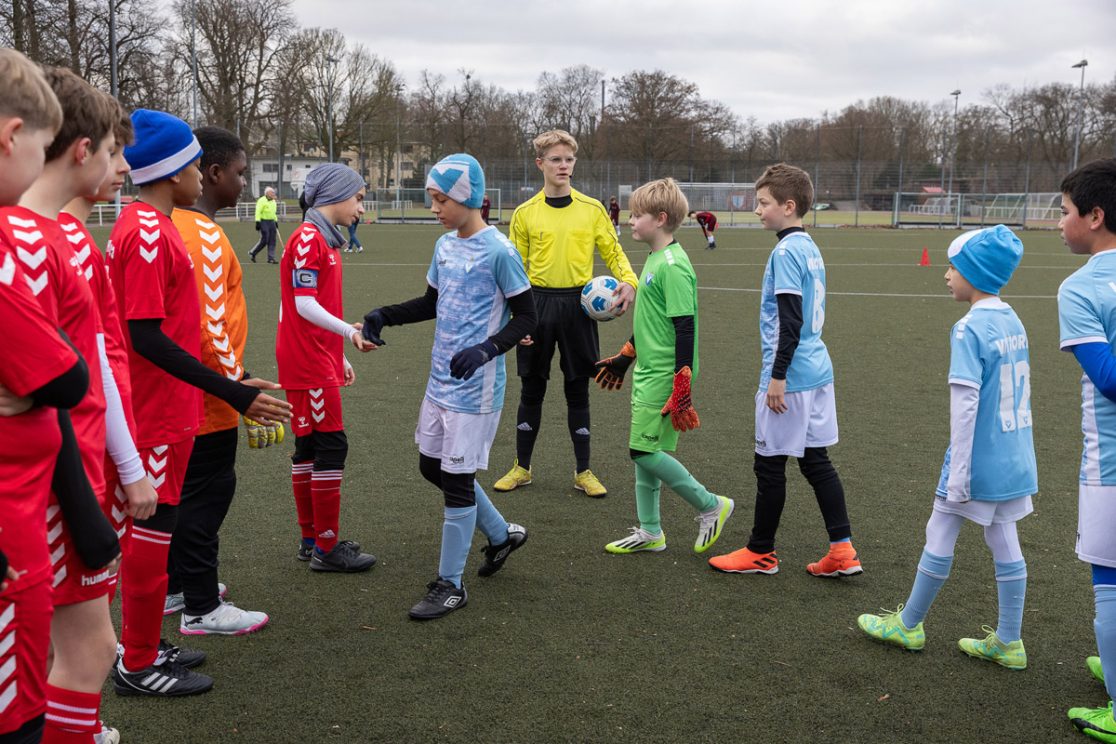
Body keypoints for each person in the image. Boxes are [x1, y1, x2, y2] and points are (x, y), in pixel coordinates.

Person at [107, 109, 290, 698]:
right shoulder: (149, 231)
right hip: (159, 407)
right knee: (153, 526)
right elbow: (146, 335)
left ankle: (144, 646)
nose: (199, 175)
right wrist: (236, 390)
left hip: (172, 403)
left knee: (162, 526)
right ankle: (137, 661)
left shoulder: (152, 227)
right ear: (179, 172)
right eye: (192, 164)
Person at [0, 65, 136, 744]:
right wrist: (92, 495)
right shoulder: (26, 241)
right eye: (113, 152)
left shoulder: (63, 239)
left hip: (65, 477)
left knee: (79, 652)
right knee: (72, 658)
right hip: (45, 492)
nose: (119, 168)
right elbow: (56, 384)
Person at [361, 153, 536, 619]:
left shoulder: (500, 251)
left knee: (456, 479)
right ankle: (501, 535)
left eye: (440, 199)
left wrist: (487, 350)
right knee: (430, 467)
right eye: (432, 200)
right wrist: (384, 316)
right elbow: (430, 303)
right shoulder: (444, 245)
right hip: (440, 380)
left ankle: (450, 584)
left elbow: (527, 317)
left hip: (476, 390)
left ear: (466, 197)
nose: (434, 208)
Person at [857, 226, 1035, 671]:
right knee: (1003, 535)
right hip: (1014, 457)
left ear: (974, 273)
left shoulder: (968, 328)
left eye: (954, 267)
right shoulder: (1013, 319)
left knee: (939, 530)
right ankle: (1010, 640)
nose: (946, 275)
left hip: (975, 458)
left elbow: (966, 404)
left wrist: (958, 472)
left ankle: (909, 624)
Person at [709, 164, 861, 578]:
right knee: (816, 461)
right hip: (817, 369)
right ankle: (842, 551)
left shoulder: (786, 251)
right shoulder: (809, 246)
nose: (757, 210)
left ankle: (761, 552)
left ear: (788, 206)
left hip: (791, 376)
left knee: (770, 464)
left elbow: (789, 320)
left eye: (763, 203)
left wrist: (778, 376)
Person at [167, 126, 276, 636]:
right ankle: (202, 606)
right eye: (239, 174)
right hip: (205, 395)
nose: (244, 185)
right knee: (208, 495)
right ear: (212, 174)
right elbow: (210, 328)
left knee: (185, 494)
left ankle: (176, 586)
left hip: (181, 388)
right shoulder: (204, 234)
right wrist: (238, 387)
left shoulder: (171, 226)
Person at [495, 130, 637, 498]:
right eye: (556, 159)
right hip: (535, 305)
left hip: (580, 307)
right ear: (540, 164)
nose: (563, 166)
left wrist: (629, 282)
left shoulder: (592, 209)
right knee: (532, 387)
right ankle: (522, 467)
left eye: (569, 159)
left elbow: (614, 252)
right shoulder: (525, 213)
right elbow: (514, 270)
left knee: (578, 388)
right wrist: (516, 319)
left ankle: (583, 471)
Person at [595, 178, 734, 555]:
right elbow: (653, 321)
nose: (630, 221)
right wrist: (626, 357)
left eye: (637, 215)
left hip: (665, 374)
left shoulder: (672, 265)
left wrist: (682, 381)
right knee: (644, 448)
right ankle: (651, 531)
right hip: (648, 369)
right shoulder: (655, 258)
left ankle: (710, 505)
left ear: (659, 218)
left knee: (642, 452)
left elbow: (684, 324)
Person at [276, 163, 378, 573]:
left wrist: (340, 355)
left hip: (314, 356)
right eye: (357, 197)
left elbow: (302, 308)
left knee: (310, 447)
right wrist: (348, 335)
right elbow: (301, 304)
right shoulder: (308, 239)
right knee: (330, 447)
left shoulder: (322, 239)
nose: (360, 206)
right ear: (335, 196)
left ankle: (310, 539)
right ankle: (326, 547)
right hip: (308, 361)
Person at [1057, 159, 1116, 741]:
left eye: (1067, 212)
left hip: (1112, 463)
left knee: (1110, 576)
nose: (1059, 223)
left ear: (1095, 217)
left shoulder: (1081, 286)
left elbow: (1111, 380)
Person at [248, 186, 278, 263]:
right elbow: (258, 211)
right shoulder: (261, 200)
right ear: (267, 193)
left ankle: (271, 258)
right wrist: (257, 222)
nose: (273, 194)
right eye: (272, 192)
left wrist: (276, 221)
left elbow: (273, 213)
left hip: (271, 222)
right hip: (263, 221)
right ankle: (252, 252)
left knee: (272, 240)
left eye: (273, 193)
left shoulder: (273, 201)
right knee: (265, 239)